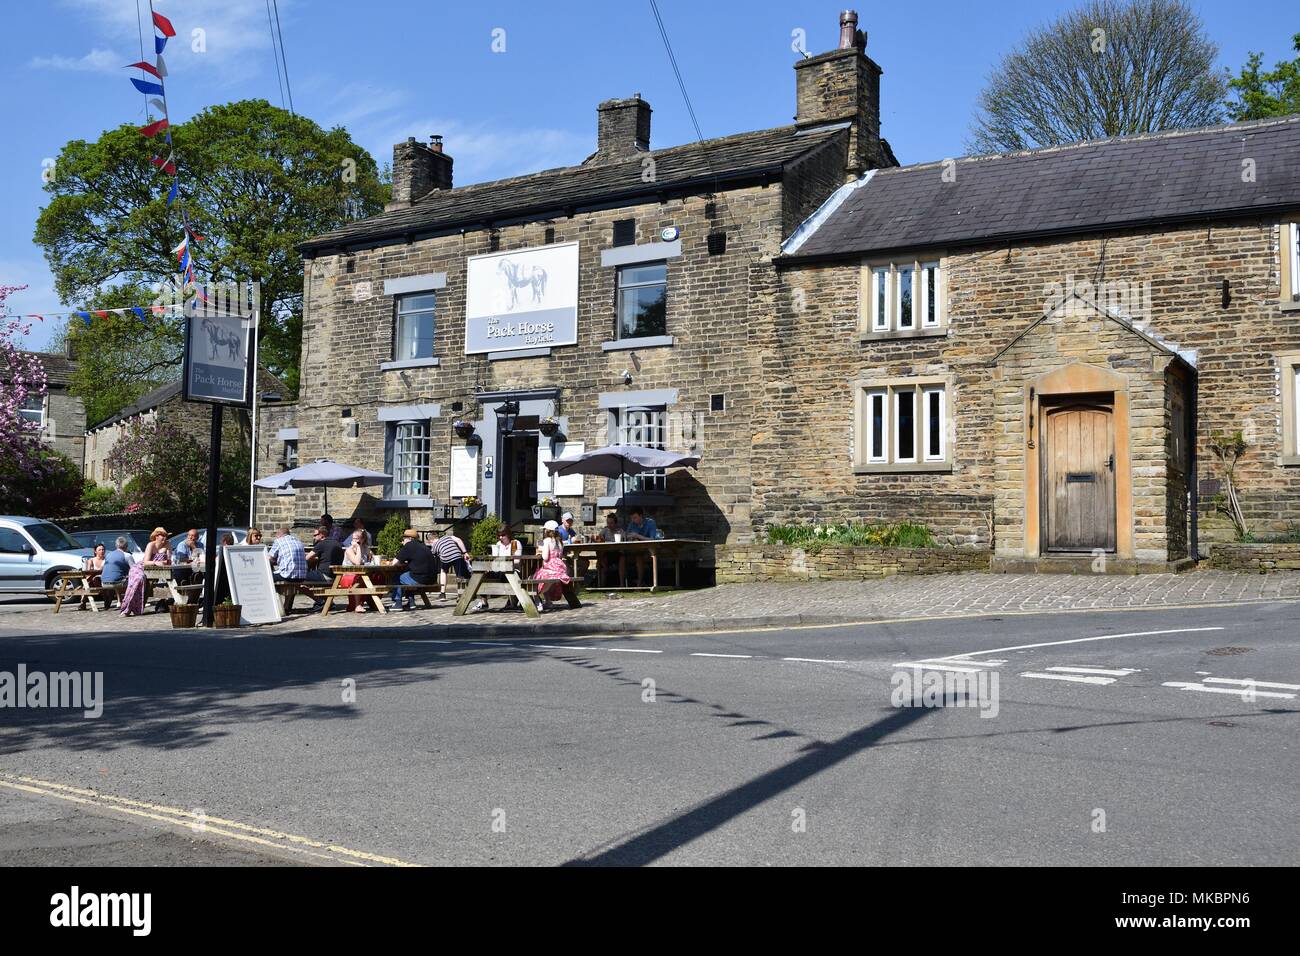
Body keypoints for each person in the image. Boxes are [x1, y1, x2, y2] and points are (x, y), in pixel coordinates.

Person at [473, 526, 522, 611]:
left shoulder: (515, 543)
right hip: (500, 569)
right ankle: (483, 601)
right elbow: (495, 560)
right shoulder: (498, 544)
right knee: (483, 575)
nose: (500, 537)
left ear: (508, 534)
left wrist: (502, 561)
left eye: (503, 535)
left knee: (506, 575)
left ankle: (513, 601)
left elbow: (517, 561)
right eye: (499, 535)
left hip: (513, 570)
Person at [390, 529, 436, 611]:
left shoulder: (409, 546)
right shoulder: (423, 546)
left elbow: (394, 563)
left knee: (398, 577)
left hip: (420, 578)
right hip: (432, 579)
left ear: (410, 538)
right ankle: (411, 602)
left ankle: (397, 603)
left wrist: (401, 564)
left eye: (404, 539)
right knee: (408, 575)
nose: (403, 541)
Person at [532, 521, 572, 611]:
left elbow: (545, 557)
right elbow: (560, 555)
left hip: (551, 568)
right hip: (560, 568)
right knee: (544, 576)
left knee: (537, 576)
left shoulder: (547, 541)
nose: (544, 531)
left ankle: (537, 601)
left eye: (545, 529)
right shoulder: (559, 541)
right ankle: (548, 601)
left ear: (548, 530)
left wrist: (540, 551)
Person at [624, 507, 661, 587]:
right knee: (623, 556)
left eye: (635, 517)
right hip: (635, 550)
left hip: (650, 550)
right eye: (631, 518)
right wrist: (629, 537)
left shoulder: (650, 522)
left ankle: (640, 583)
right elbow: (627, 536)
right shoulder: (632, 524)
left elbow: (652, 539)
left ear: (641, 516)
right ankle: (629, 583)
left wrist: (637, 536)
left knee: (639, 556)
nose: (633, 520)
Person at [340, 529, 373, 612]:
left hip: (361, 574)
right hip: (348, 576)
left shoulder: (366, 549)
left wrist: (371, 558)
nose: (354, 540)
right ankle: (357, 605)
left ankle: (373, 602)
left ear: (363, 539)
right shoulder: (349, 550)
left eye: (357, 538)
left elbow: (372, 559)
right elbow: (357, 563)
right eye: (353, 538)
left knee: (378, 577)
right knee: (358, 578)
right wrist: (358, 548)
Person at [433, 530, 470, 600]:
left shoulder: (434, 545)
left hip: (445, 558)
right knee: (460, 575)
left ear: (431, 540)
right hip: (457, 555)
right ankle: (460, 594)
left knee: (443, 571)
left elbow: (433, 555)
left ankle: (442, 594)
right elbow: (458, 540)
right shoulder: (448, 537)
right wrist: (465, 552)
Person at [596, 513, 625, 587]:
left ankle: (622, 585)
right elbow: (598, 541)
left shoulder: (620, 531)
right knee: (602, 558)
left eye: (611, 523)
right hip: (607, 554)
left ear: (615, 523)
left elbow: (625, 541)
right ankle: (601, 586)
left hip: (618, 553)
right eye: (608, 522)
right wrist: (600, 539)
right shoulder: (604, 531)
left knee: (622, 558)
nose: (609, 525)